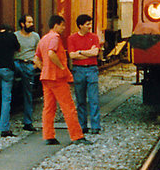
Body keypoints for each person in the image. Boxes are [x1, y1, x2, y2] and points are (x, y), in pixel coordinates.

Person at [34, 14, 89, 145]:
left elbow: (36, 58)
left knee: (48, 108)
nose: (64, 28)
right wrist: (62, 67)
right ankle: (77, 136)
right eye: (62, 25)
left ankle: (48, 136)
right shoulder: (55, 38)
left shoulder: (44, 38)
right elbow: (51, 53)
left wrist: (44, 68)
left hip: (46, 77)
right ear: (56, 25)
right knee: (68, 107)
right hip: (57, 78)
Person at [68, 13, 102, 136]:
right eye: (87, 24)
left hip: (91, 69)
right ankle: (83, 126)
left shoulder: (94, 37)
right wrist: (89, 52)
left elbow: (95, 53)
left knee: (94, 99)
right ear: (81, 25)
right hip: (79, 70)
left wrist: (81, 52)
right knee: (80, 99)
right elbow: (72, 55)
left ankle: (95, 126)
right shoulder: (72, 38)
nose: (90, 26)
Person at [13, 14, 40, 131]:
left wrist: (34, 66)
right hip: (17, 64)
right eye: (29, 22)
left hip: (29, 65)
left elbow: (39, 52)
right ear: (22, 24)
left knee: (28, 94)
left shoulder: (35, 36)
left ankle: (28, 122)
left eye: (32, 22)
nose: (31, 24)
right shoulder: (15, 36)